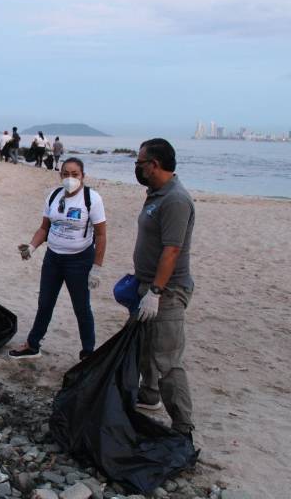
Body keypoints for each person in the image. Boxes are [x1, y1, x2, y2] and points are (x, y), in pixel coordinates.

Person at [10, 157, 107, 360]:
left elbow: (101, 235)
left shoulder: (92, 199)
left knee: (81, 307)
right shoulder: (53, 196)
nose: (70, 178)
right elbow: (44, 228)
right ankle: (32, 345)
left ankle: (88, 353)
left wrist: (96, 268)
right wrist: (31, 247)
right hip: (53, 258)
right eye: (65, 174)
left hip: (80, 261)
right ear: (60, 175)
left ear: (83, 176)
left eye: (75, 174)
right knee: (45, 303)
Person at [132, 138, 195, 438]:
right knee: (143, 346)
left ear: (154, 165)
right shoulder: (156, 194)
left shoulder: (175, 200)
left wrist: (155, 293)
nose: (137, 167)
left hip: (167, 292)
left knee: (168, 361)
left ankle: (183, 427)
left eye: (140, 163)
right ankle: (148, 394)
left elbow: (172, 250)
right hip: (147, 286)